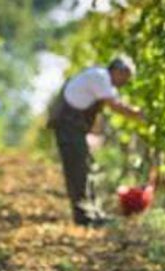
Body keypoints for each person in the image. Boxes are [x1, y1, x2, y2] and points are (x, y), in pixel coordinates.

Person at [49, 55, 145, 226]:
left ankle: (92, 212)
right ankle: (84, 217)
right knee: (77, 170)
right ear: (117, 71)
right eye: (125, 77)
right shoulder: (100, 77)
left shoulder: (104, 81)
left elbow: (97, 112)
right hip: (67, 126)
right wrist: (139, 114)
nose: (125, 82)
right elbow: (115, 105)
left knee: (85, 167)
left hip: (74, 127)